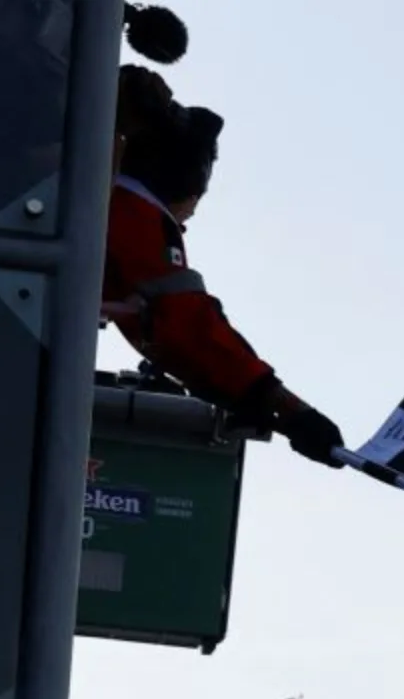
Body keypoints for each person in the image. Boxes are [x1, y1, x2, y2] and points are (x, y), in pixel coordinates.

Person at [103, 53, 344, 466]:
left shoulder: (99, 193)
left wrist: (266, 407)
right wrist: (289, 408)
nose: (194, 211)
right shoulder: (136, 216)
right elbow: (186, 328)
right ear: (187, 182)